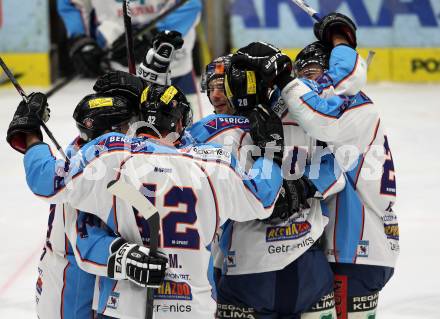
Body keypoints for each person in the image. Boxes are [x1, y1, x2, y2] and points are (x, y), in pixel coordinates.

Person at [6, 77, 285, 318]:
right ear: (181, 123)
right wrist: (269, 152)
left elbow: (46, 181)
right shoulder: (214, 164)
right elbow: (263, 198)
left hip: (123, 307)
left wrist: (31, 136)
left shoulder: (112, 155)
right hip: (194, 307)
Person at [230, 12, 398, 318]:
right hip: (361, 247)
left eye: (316, 69)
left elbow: (322, 107)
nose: (309, 77)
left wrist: (285, 80)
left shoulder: (348, 104)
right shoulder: (343, 102)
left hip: (354, 246)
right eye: (302, 70)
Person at [188, 55, 345, 318]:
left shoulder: (209, 130)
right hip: (306, 269)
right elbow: (337, 163)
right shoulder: (300, 113)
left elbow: (158, 152)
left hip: (253, 271)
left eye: (222, 86)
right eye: (211, 87)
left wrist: (302, 187)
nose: (215, 96)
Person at [57, 0, 202, 99]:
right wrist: (81, 39)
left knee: (188, 138)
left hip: (174, 68)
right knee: (120, 141)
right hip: (118, 72)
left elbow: (189, 4)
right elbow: (72, 4)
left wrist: (155, 35)